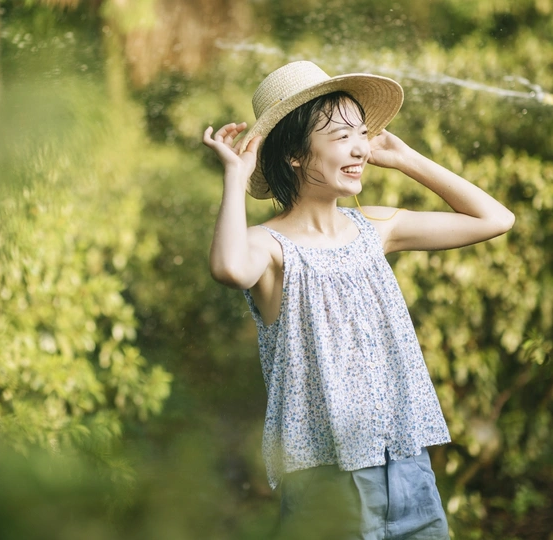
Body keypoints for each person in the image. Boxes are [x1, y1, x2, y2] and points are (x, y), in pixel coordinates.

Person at [202, 61, 514, 539]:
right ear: (296, 155)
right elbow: (227, 267)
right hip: (325, 476)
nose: (361, 148)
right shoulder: (269, 247)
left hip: (407, 462)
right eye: (341, 135)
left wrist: (407, 158)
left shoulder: (376, 230)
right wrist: (234, 176)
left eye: (363, 134)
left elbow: (495, 218)